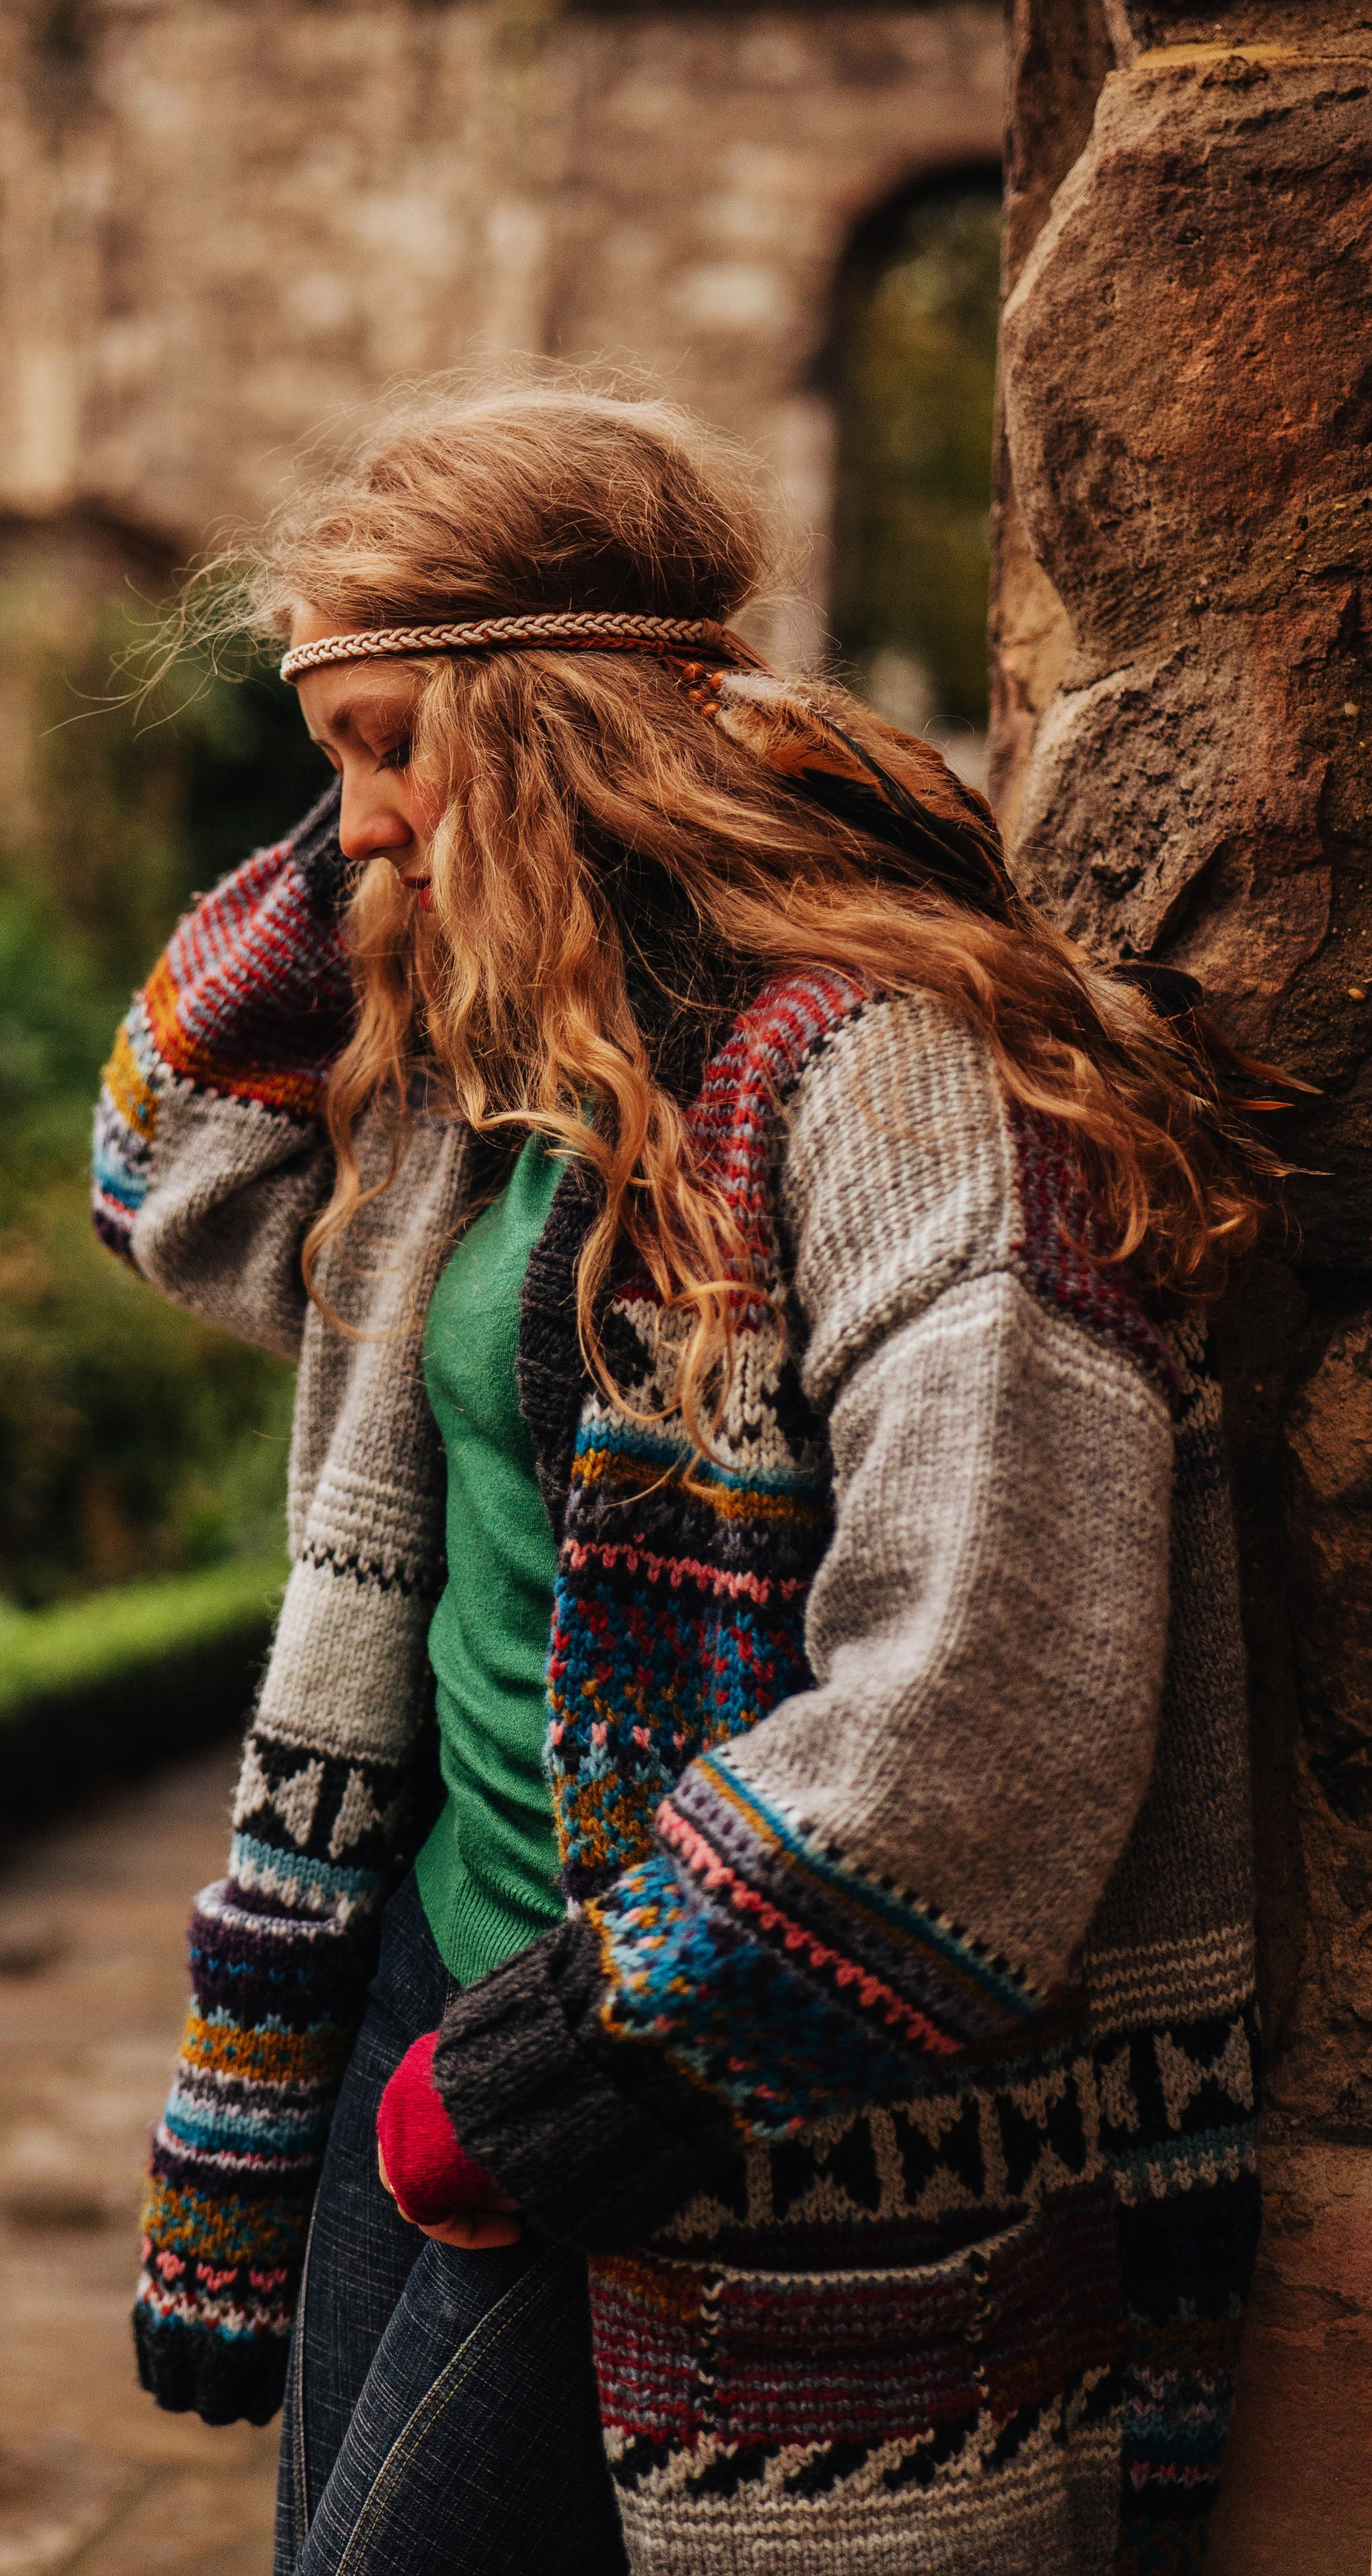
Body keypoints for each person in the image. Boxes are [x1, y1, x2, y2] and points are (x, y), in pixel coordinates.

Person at [90, 385, 1272, 2576]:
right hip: (409, 2008)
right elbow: (169, 1161)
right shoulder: (492, 1065)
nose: (346, 827)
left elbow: (993, 1685)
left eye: (386, 752)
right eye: (326, 753)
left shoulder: (894, 1074)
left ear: (543, 731)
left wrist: (597, 2061)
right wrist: (403, 733)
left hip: (694, 2096)